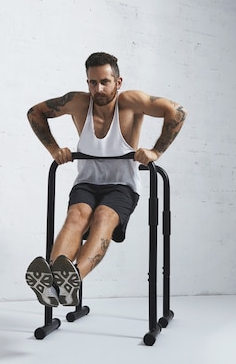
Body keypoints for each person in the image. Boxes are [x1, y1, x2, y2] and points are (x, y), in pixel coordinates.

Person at [25, 52, 187, 307]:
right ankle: (53, 284)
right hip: (87, 183)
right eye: (92, 82)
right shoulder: (78, 103)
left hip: (122, 186)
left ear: (118, 82)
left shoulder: (131, 102)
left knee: (103, 217)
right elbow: (35, 113)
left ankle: (72, 281)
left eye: (104, 82)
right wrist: (54, 150)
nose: (97, 89)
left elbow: (176, 111)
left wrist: (156, 151)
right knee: (77, 216)